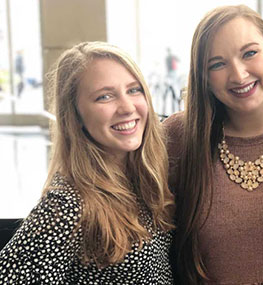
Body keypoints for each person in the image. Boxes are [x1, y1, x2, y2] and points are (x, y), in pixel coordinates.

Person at [163, 5, 263, 284]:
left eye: (249, 53)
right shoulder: (177, 137)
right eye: (217, 64)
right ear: (204, 76)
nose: (238, 75)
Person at [0, 42, 175, 284]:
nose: (127, 107)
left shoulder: (144, 175)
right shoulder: (68, 204)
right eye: (105, 96)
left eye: (134, 90)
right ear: (75, 115)